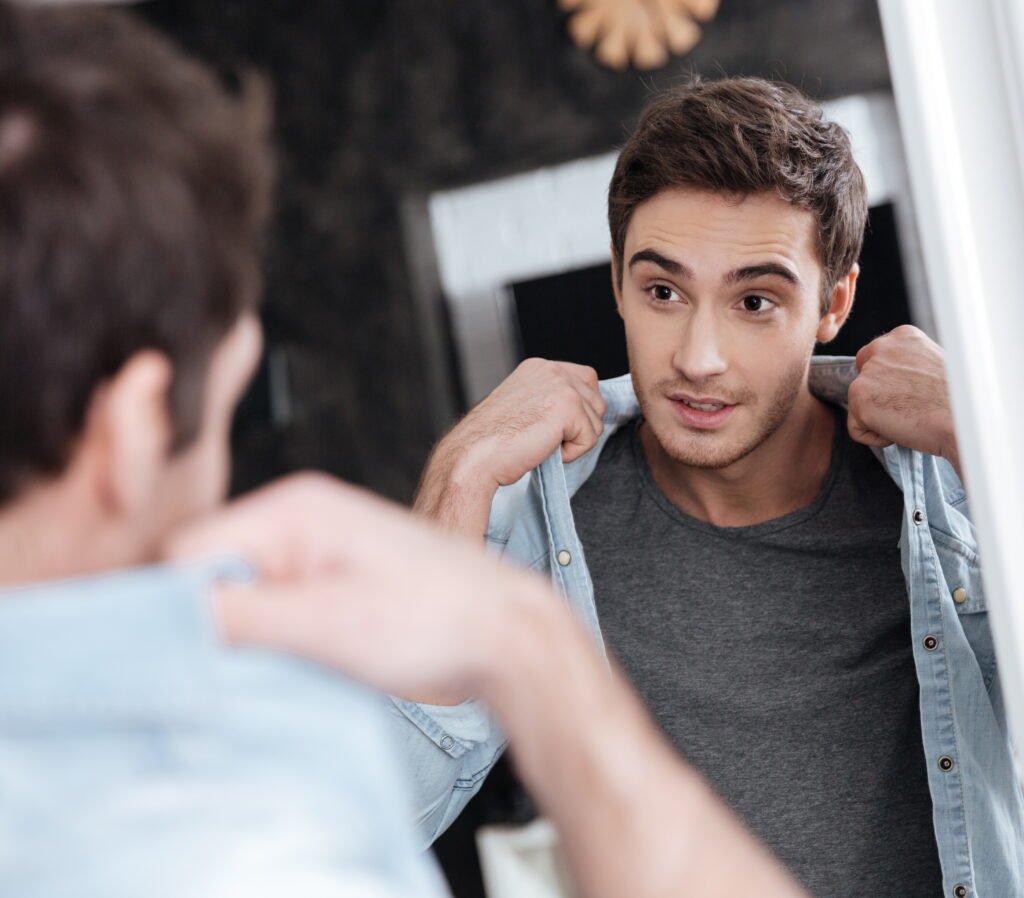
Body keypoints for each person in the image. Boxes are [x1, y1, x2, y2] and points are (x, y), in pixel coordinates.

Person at [0, 3, 810, 896]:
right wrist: (528, 642)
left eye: (756, 301)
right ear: (135, 429)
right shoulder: (226, 834)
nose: (700, 354)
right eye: (233, 393)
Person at [395, 78, 1023, 898]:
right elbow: (360, 820)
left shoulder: (947, 488)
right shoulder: (537, 524)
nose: (699, 357)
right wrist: (459, 470)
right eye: (664, 291)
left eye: (755, 301)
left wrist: (986, 440)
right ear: (617, 283)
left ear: (834, 304)